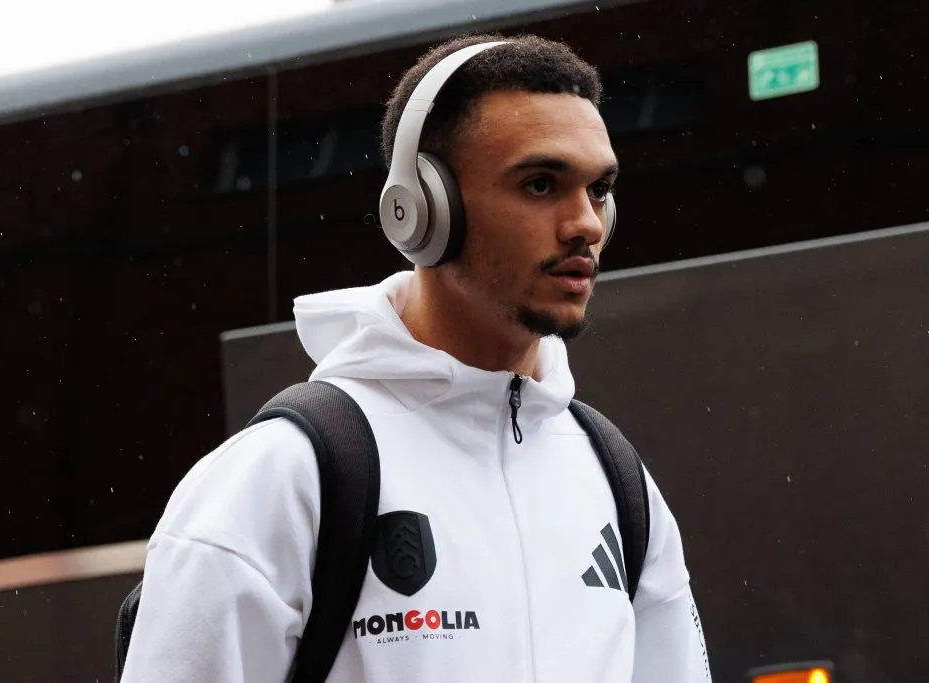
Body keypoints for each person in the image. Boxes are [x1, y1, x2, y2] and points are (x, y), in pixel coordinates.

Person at [121, 32, 712, 683]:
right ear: (423, 209)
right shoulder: (280, 478)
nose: (587, 225)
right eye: (541, 184)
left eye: (598, 189)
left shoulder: (618, 482)